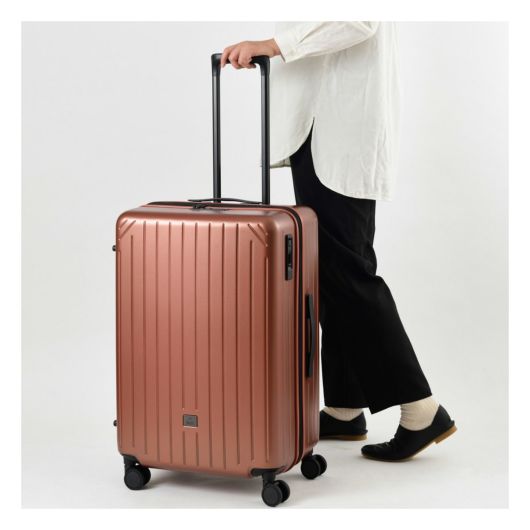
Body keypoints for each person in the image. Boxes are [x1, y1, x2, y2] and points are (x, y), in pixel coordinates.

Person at [220, 22, 456, 462]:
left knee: (347, 272)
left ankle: (421, 408)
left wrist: (273, 45)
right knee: (328, 270)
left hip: (338, 130)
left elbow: (357, 19)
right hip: (320, 128)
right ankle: (345, 408)